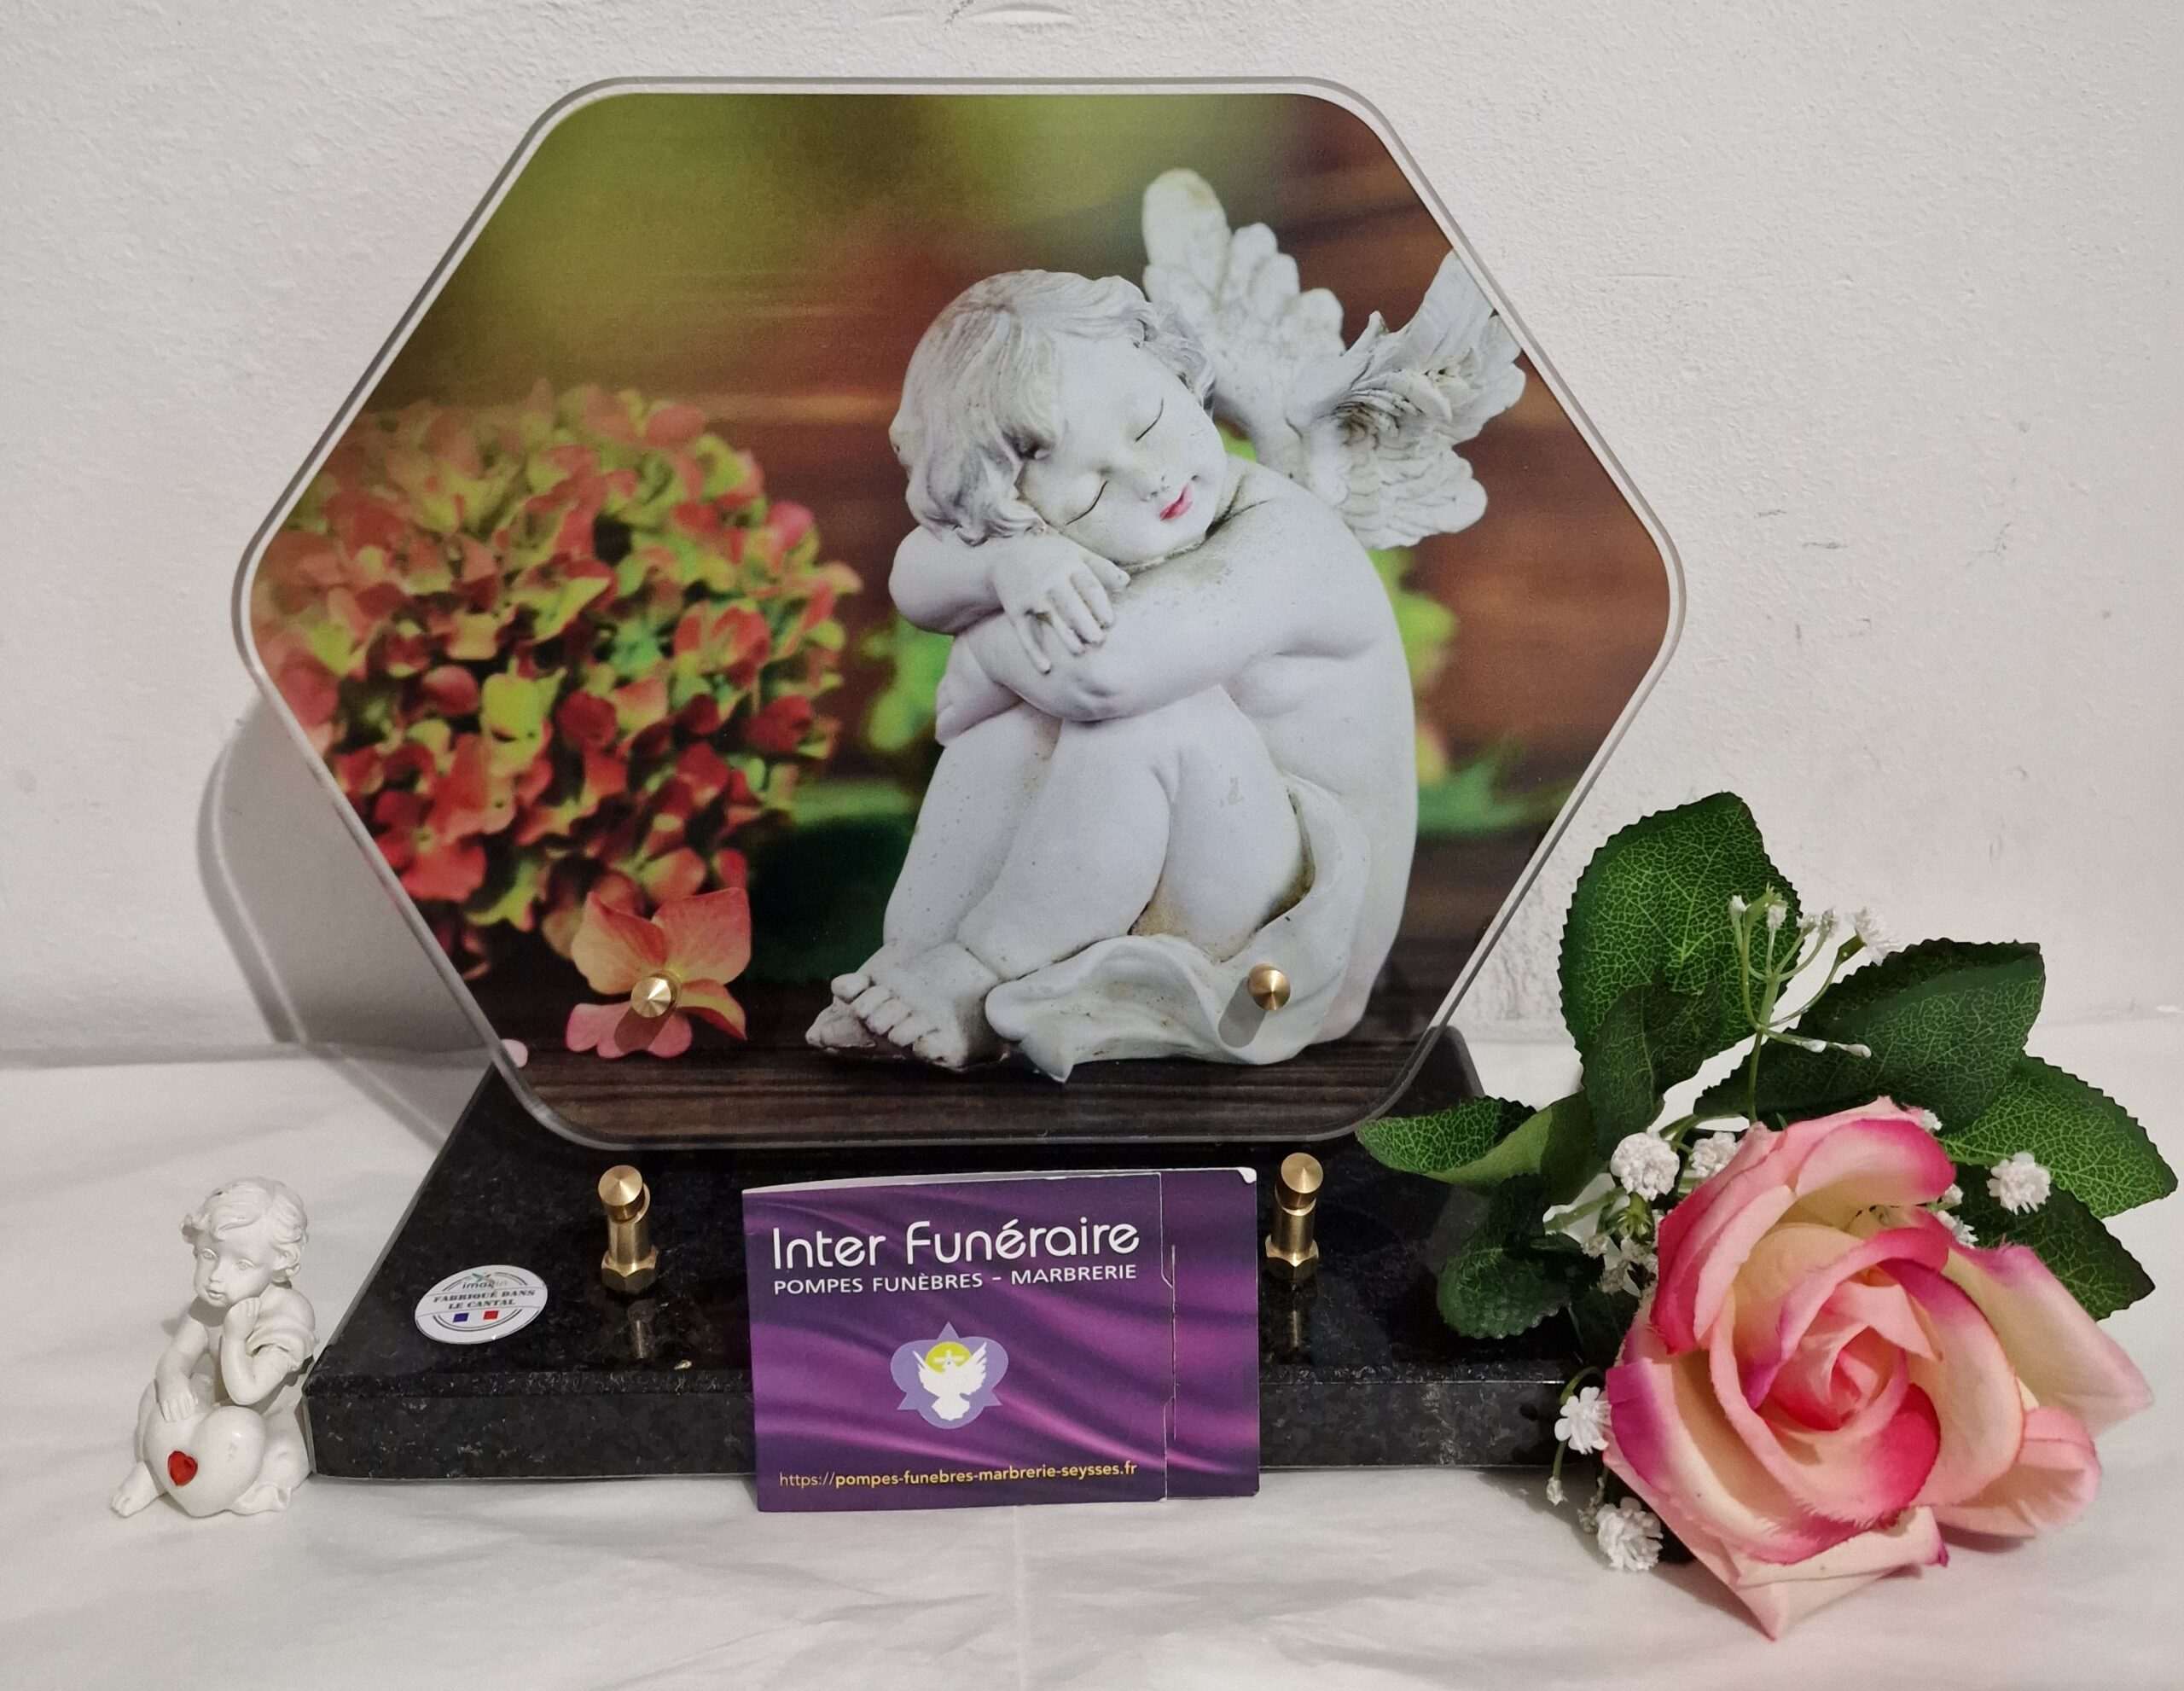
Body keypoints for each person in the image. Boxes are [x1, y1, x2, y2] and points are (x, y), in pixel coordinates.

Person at [809, 270, 1415, 1074]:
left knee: (1146, 720)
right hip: (1207, 865)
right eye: (1091, 488)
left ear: (1178, 374)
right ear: (1021, 510)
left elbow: (1107, 678)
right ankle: (916, 960)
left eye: (1150, 421)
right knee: (1017, 727)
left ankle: (984, 968)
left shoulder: (1285, 539)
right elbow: (918, 573)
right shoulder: (1058, 536)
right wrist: (1006, 566)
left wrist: (985, 651)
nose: (1150, 476)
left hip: (1291, 950)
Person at [110, 1177, 315, 1517]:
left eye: (242, 1264)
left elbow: (247, 1393)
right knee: (157, 1394)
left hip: (269, 1421)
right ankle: (157, 1471)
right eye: (208, 1255)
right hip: (219, 1408)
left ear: (280, 1262)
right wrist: (174, 1381)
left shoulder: (290, 1315)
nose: (216, 1276)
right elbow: (177, 1356)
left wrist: (234, 1339)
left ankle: (207, 1489)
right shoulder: (209, 1306)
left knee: (284, 1459)